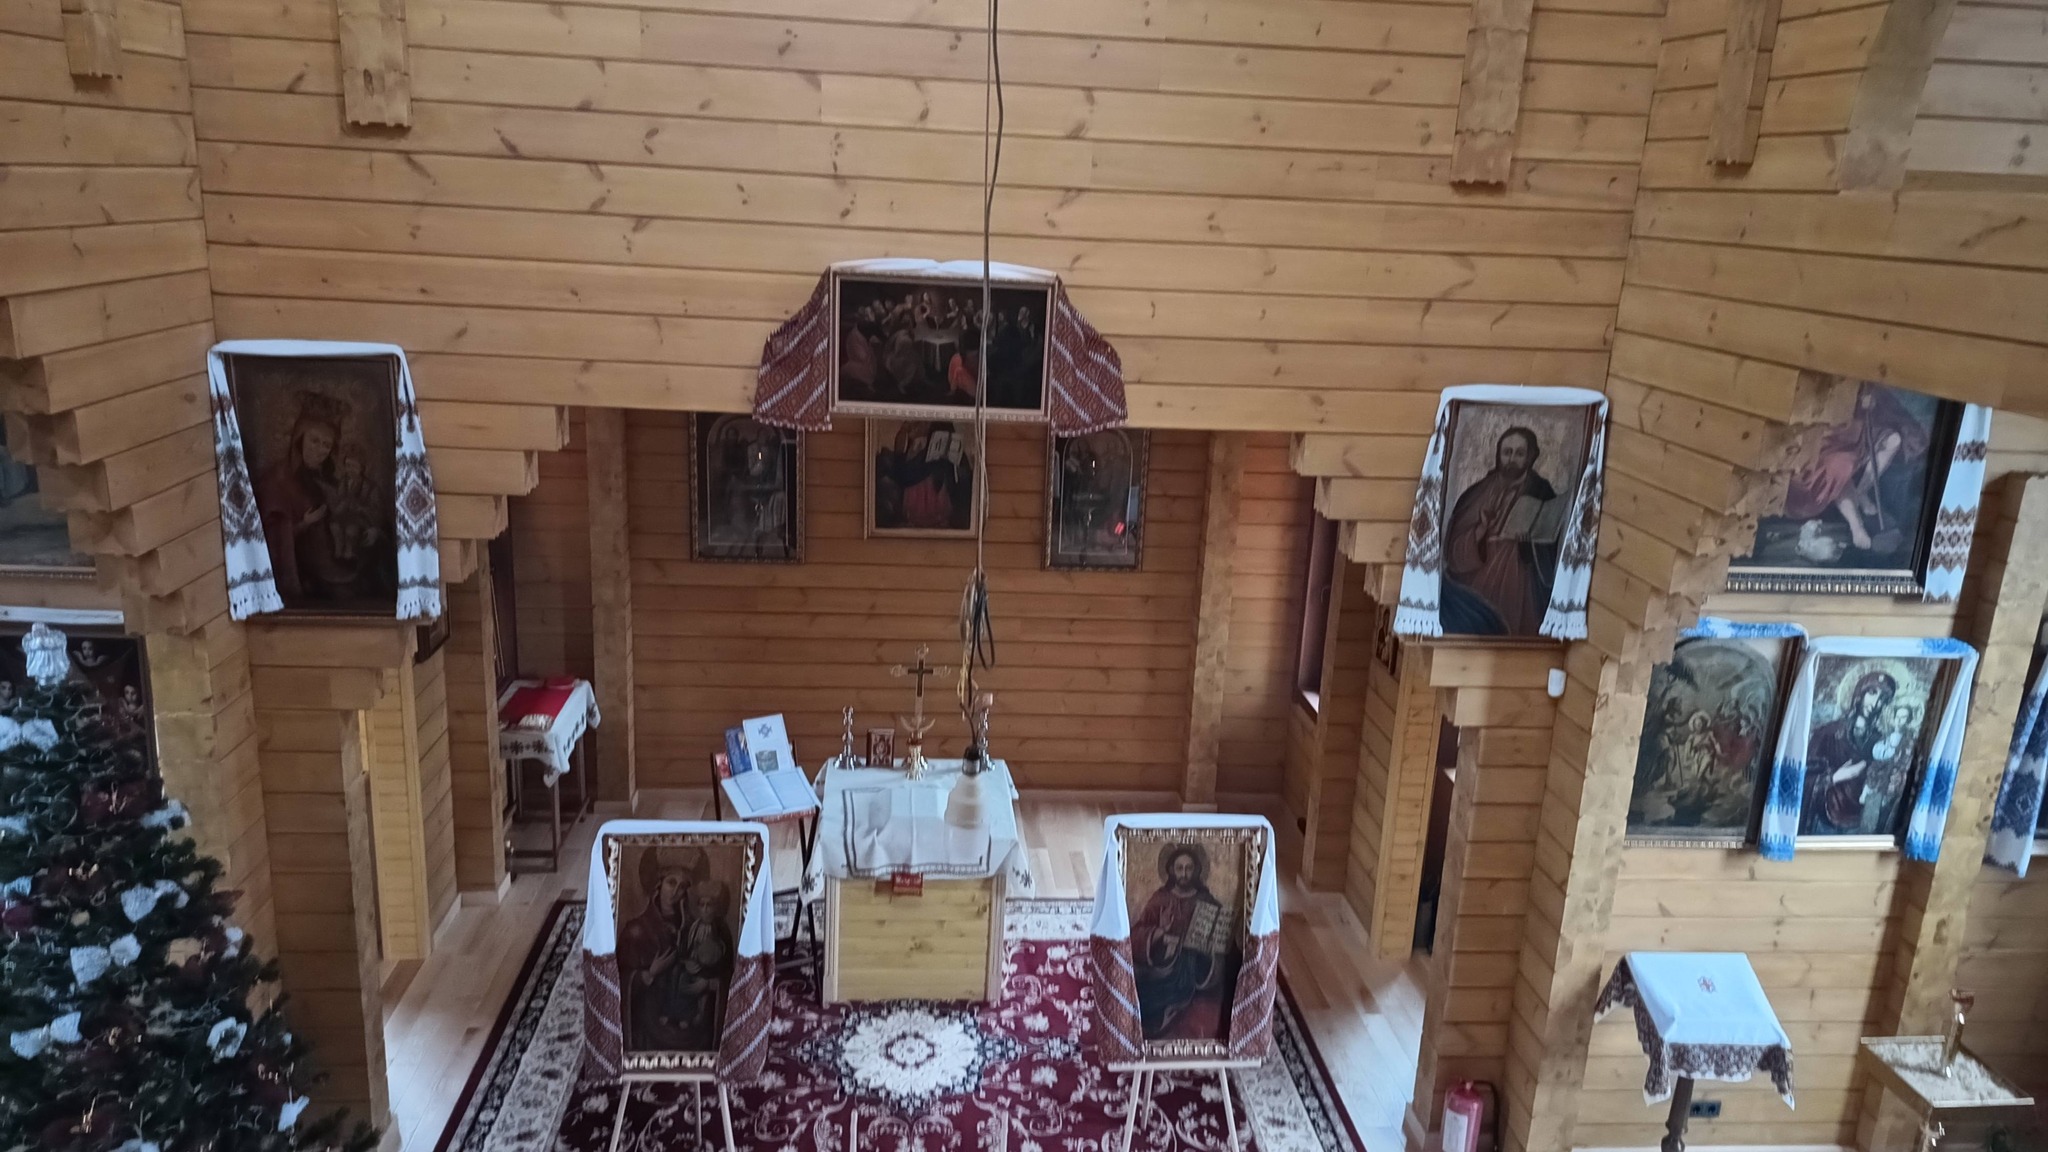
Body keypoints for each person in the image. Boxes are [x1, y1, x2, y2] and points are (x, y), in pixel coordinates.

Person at [1783, 384, 1930, 554]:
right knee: (1842, 465)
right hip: (1822, 441)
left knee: (1893, 440)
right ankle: (1856, 527)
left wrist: (1869, 400)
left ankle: (1861, 492)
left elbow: (1865, 388)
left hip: (1854, 431)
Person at [1442, 427, 1558, 636]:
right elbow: (1453, 551)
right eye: (1507, 452)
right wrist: (1481, 529)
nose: (1512, 459)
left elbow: (1553, 548)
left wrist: (1531, 544)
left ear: (1530, 457)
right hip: (1478, 583)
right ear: (1498, 454)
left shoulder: (1542, 492)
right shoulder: (1477, 493)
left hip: (1520, 584)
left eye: (1519, 453)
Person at [1130, 844, 1237, 1041]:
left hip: (1196, 966)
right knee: (1143, 990)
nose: (1184, 874)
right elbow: (1136, 934)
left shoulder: (1207, 900)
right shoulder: (1160, 898)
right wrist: (1160, 932)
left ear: (1197, 870)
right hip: (1163, 965)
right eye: (1180, 868)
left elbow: (1222, 936)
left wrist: (1211, 945)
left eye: (1189, 868)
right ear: (1171, 870)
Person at [616, 850, 707, 1052]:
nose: (676, 892)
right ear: (659, 885)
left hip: (688, 1016)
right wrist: (649, 974)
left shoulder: (694, 927)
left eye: (682, 887)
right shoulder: (636, 930)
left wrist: (704, 981)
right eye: (671, 883)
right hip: (650, 1021)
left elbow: (709, 964)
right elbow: (619, 979)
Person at [1804, 671, 1900, 835]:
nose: (1875, 703)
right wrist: (1836, 777)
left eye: (1883, 699)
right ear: (1860, 693)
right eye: (1872, 693)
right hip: (1826, 820)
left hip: (1861, 824)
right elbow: (1803, 777)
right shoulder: (1828, 733)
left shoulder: (1882, 743)